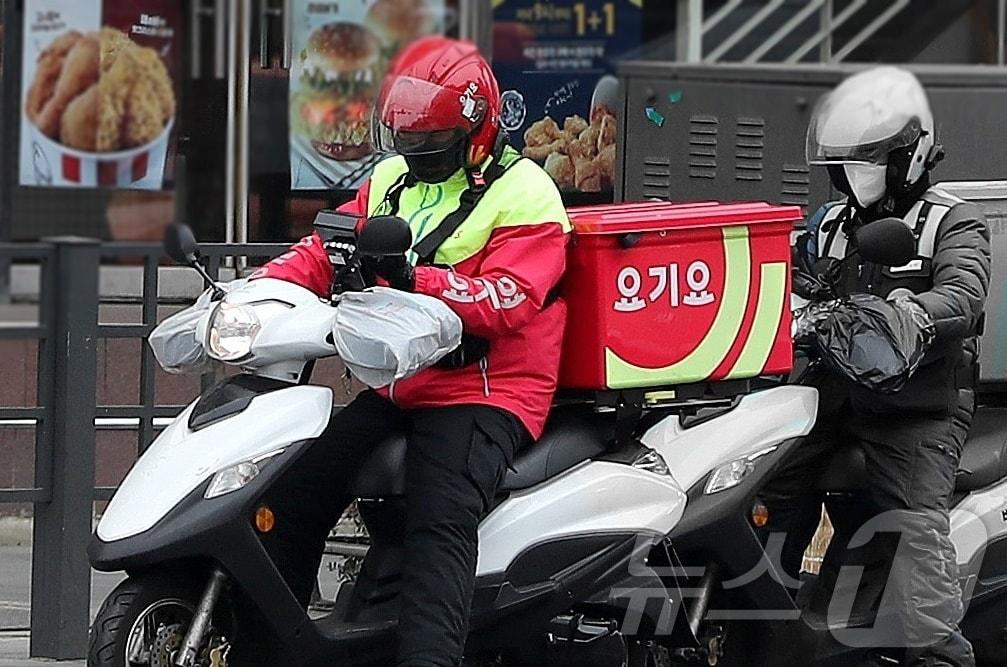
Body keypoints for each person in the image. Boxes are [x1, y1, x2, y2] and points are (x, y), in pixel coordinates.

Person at [250, 37, 571, 667]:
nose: (418, 154)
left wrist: (412, 278)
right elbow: (333, 246)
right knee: (292, 493)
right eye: (408, 141)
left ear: (474, 131)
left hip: (488, 388)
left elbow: (507, 299)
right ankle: (272, 649)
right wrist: (267, 284)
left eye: (433, 142)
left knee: (437, 523)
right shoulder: (393, 176)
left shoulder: (528, 192)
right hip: (400, 383)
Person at [763, 66, 990, 667]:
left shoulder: (952, 221)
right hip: (831, 397)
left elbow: (963, 296)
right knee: (764, 483)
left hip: (915, 408)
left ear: (906, 160)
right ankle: (762, 629)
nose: (852, 177)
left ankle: (940, 655)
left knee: (915, 525)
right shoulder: (829, 224)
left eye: (867, 162)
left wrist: (913, 316)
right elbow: (792, 281)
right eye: (845, 165)